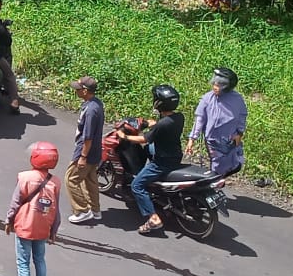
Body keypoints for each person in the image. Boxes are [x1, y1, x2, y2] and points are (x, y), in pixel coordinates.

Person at [119, 83, 184, 235]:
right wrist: (150, 122)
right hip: (174, 154)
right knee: (149, 149)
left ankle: (153, 218)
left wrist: (125, 136)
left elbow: (144, 139)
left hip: (163, 161)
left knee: (137, 186)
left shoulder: (162, 125)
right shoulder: (178, 117)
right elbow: (159, 125)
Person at [4, 141, 61, 276]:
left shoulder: (25, 177)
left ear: (35, 158)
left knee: (23, 262)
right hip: (44, 228)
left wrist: (9, 221)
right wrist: (53, 231)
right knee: (39, 259)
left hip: (25, 226)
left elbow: (15, 203)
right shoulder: (55, 182)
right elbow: (56, 210)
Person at [187, 67, 248, 177]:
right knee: (217, 165)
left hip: (231, 139)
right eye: (214, 84)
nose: (215, 87)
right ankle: (214, 186)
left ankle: (218, 179)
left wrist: (239, 133)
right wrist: (192, 139)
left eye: (219, 85)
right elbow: (199, 120)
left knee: (235, 163)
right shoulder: (207, 99)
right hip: (213, 140)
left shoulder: (237, 99)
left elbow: (242, 116)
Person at [66, 76, 105, 224]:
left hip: (86, 149)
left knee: (71, 179)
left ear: (85, 91)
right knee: (90, 180)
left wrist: (82, 156)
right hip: (95, 150)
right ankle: (95, 210)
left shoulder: (90, 110)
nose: (76, 91)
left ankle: (82, 210)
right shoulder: (96, 103)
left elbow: (87, 136)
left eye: (78, 89)